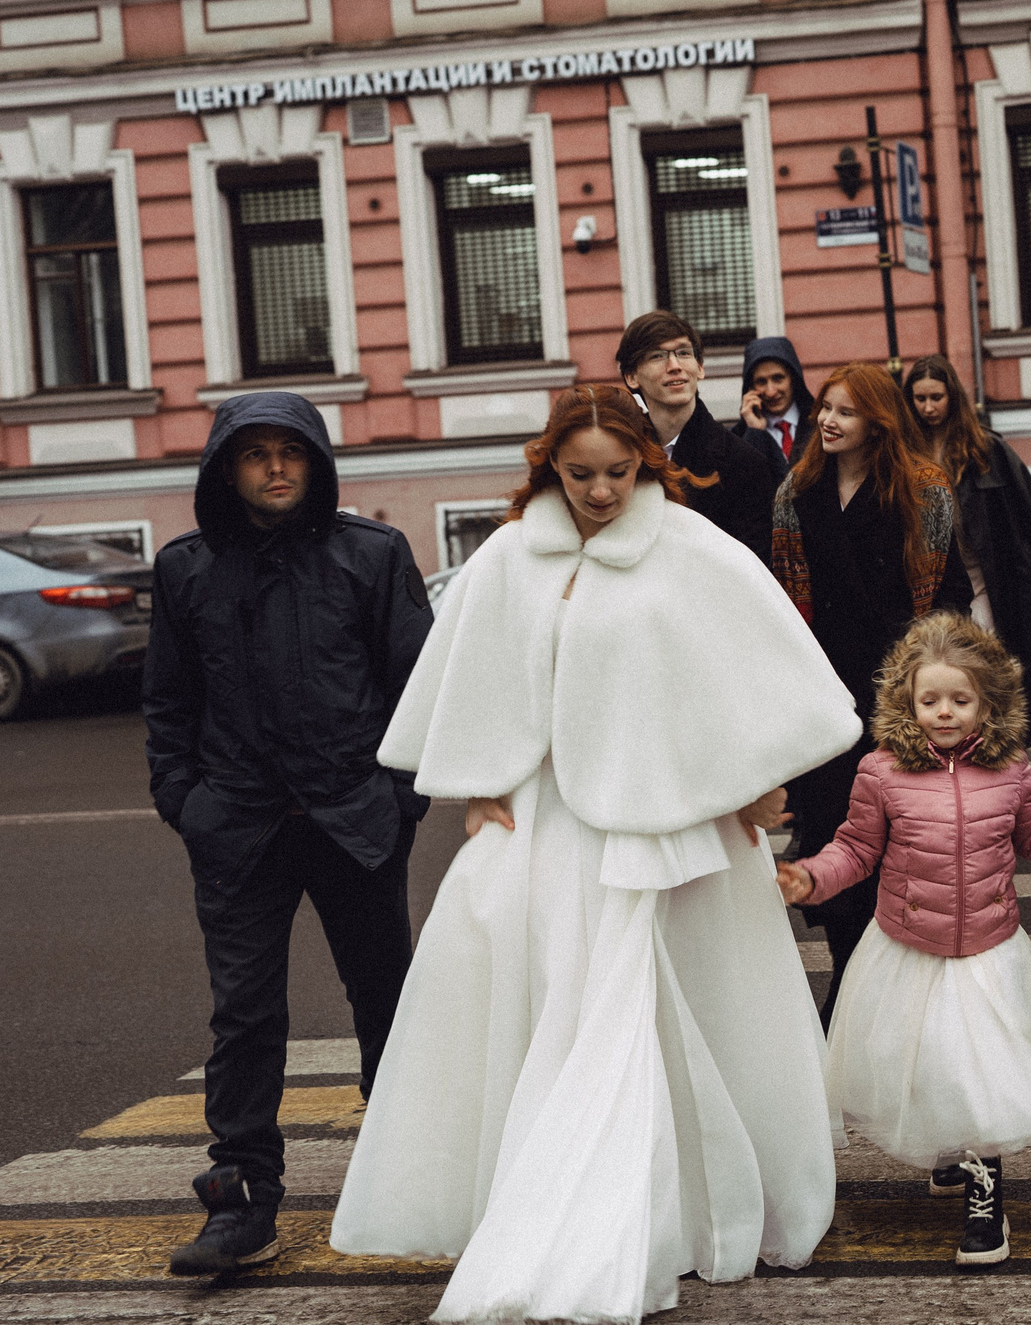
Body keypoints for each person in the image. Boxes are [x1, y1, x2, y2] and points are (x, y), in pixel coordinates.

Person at [330, 385, 857, 1322]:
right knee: (566, 1011)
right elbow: (470, 669)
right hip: (551, 824)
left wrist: (759, 780)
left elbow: (751, 667)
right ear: (550, 468)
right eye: (581, 475)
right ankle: (580, 1203)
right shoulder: (507, 556)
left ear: (646, 463)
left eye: (619, 472)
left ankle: (682, 1202)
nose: (603, 491)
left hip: (674, 814)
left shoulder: (690, 550)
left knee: (686, 1004)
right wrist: (474, 770)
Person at [143, 394, 434, 1277]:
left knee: (389, 1004)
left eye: (290, 452)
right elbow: (169, 702)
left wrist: (397, 799)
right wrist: (184, 801)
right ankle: (241, 1200)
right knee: (244, 1017)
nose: (275, 468)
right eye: (254, 454)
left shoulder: (371, 555)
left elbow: (420, 693)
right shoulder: (187, 569)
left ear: (315, 462)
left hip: (354, 819)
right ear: (225, 469)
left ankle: (410, 1179)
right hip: (238, 828)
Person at [778, 613, 1031, 1265]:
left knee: (981, 1067)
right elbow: (856, 848)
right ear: (907, 700)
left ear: (987, 700)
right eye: (929, 699)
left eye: (960, 699)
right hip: (909, 944)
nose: (944, 712)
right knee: (934, 1060)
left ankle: (986, 1197)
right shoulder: (881, 771)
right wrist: (810, 878)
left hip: (990, 948)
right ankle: (952, 1150)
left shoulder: (1010, 768)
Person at [771, 361, 973, 1017]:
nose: (827, 420)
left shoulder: (925, 492)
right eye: (825, 407)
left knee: (899, 852)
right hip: (825, 700)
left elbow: (947, 600)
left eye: (845, 411)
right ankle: (853, 982)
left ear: (879, 421)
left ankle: (885, 996)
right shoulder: (797, 494)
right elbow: (786, 606)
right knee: (836, 846)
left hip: (899, 695)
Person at [903, 353, 1031, 745]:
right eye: (919, 399)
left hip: (992, 578)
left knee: (992, 668)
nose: (927, 408)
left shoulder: (986, 450)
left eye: (936, 397)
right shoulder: (904, 454)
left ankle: (998, 750)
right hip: (937, 581)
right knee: (946, 670)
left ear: (952, 397)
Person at [618, 311, 776, 561]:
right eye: (657, 356)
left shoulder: (744, 463)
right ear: (632, 377)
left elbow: (752, 568)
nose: (675, 366)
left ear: (700, 368)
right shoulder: (620, 455)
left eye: (683, 353)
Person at [735, 334, 813, 478]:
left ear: (794, 379)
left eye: (778, 378)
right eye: (761, 382)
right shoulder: (736, 438)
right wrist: (755, 432)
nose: (770, 392)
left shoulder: (821, 426)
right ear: (750, 387)